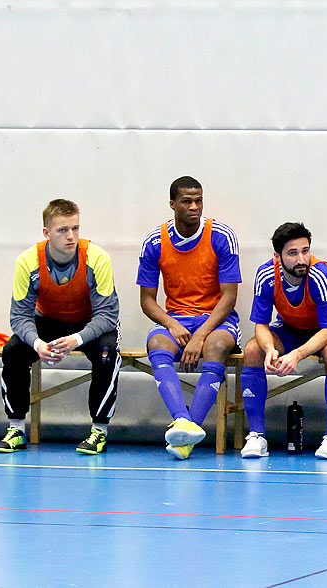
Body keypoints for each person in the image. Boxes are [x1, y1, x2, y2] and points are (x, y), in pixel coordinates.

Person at [0, 199, 120, 455]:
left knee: (108, 353)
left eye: (75, 228)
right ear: (46, 233)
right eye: (63, 230)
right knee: (13, 350)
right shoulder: (27, 262)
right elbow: (19, 317)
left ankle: (99, 432)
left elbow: (107, 315)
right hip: (49, 320)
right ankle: (16, 429)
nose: (71, 236)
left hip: (90, 322)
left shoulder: (96, 258)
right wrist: (38, 343)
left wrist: (77, 338)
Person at [138, 176, 242, 459]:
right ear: (172, 204)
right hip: (176, 319)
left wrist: (201, 335)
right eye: (187, 201)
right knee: (157, 344)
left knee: (216, 347)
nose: (194, 207)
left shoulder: (222, 236)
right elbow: (147, 300)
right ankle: (183, 421)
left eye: (199, 201)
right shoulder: (154, 241)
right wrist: (171, 323)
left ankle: (186, 432)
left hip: (216, 320)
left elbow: (229, 297)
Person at [238, 222, 327, 459]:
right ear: (277, 256)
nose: (301, 259)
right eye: (293, 253)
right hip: (292, 325)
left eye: (305, 251)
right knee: (253, 350)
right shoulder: (266, 275)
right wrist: (270, 348)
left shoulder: (321, 274)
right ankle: (256, 436)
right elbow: (261, 325)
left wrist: (296, 354)